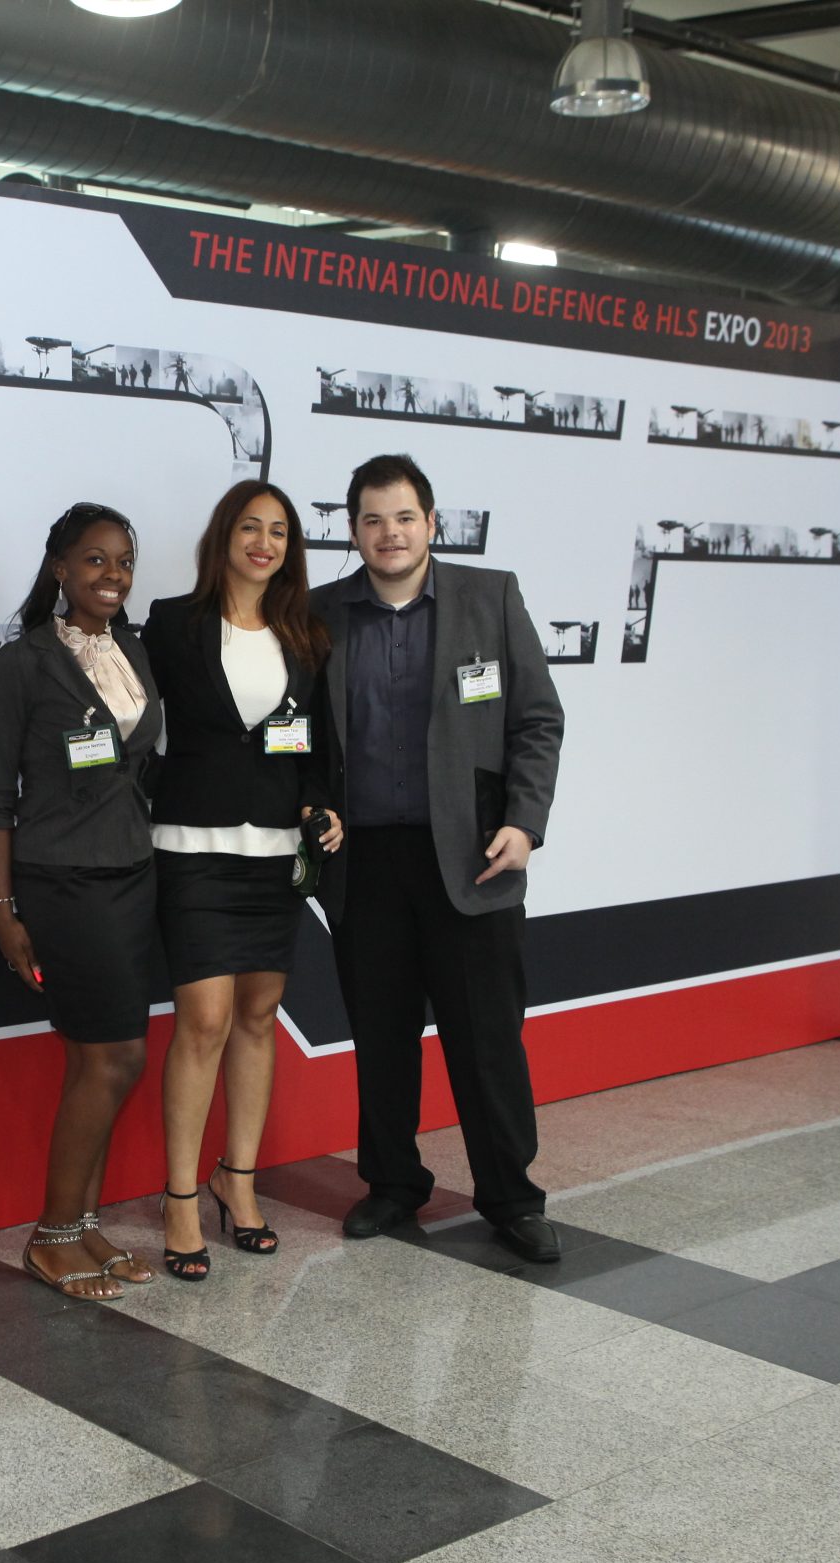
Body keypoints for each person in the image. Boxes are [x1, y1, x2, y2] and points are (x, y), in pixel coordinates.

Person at [313, 453, 566, 1262]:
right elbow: (301, 735)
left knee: (486, 1039)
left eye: (403, 517)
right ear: (354, 530)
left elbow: (537, 720)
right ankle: (393, 1183)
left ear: (431, 522)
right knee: (381, 1036)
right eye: (372, 519)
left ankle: (511, 1195)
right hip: (366, 864)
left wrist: (525, 822)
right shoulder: (319, 615)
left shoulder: (490, 597)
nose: (389, 533)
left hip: (472, 858)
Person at [141, 480, 343, 1280]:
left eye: (280, 531)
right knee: (204, 1018)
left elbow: (316, 745)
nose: (265, 542)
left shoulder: (306, 635)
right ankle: (180, 1198)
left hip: (275, 852)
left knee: (258, 1015)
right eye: (251, 527)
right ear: (224, 535)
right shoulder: (171, 623)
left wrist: (321, 804)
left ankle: (240, 1178)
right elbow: (125, 712)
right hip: (191, 845)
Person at [0, 503, 166, 1299]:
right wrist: (3, 909)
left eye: (123, 561)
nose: (112, 575)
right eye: (94, 559)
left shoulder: (134, 650)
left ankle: (82, 1224)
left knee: (105, 1059)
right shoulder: (21, 665)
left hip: (132, 876)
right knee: (115, 1057)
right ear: (60, 568)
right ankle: (51, 1237)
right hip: (63, 883)